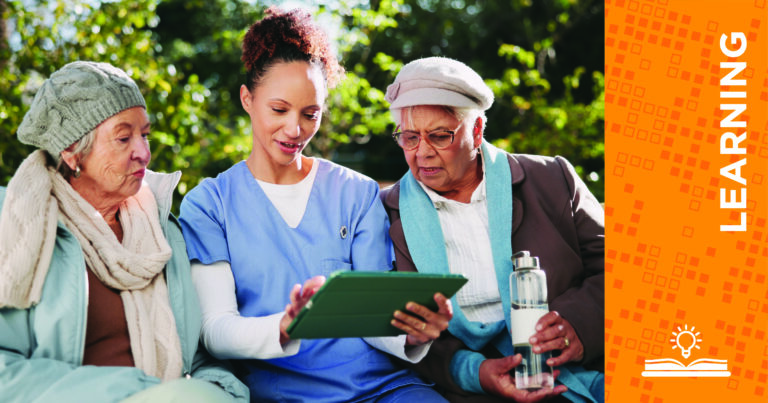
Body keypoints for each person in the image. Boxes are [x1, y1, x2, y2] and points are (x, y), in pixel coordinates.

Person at [178, 7, 453, 403]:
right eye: (279, 110)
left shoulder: (356, 193)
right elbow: (216, 330)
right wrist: (284, 326)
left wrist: (409, 332)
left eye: (311, 114)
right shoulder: (209, 205)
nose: (295, 130)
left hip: (382, 390)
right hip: (282, 394)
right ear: (247, 99)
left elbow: (372, 317)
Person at [0, 61, 248, 402]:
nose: (144, 153)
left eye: (144, 135)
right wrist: (136, 393)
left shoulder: (163, 231)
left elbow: (199, 355)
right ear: (73, 151)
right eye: (123, 138)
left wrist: (220, 392)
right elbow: (6, 372)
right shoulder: (18, 225)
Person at [380, 57, 605, 403]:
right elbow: (391, 330)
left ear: (477, 130)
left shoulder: (552, 179)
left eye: (439, 136)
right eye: (409, 137)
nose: (422, 152)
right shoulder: (386, 212)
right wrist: (473, 372)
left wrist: (580, 323)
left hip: (579, 373)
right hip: (464, 393)